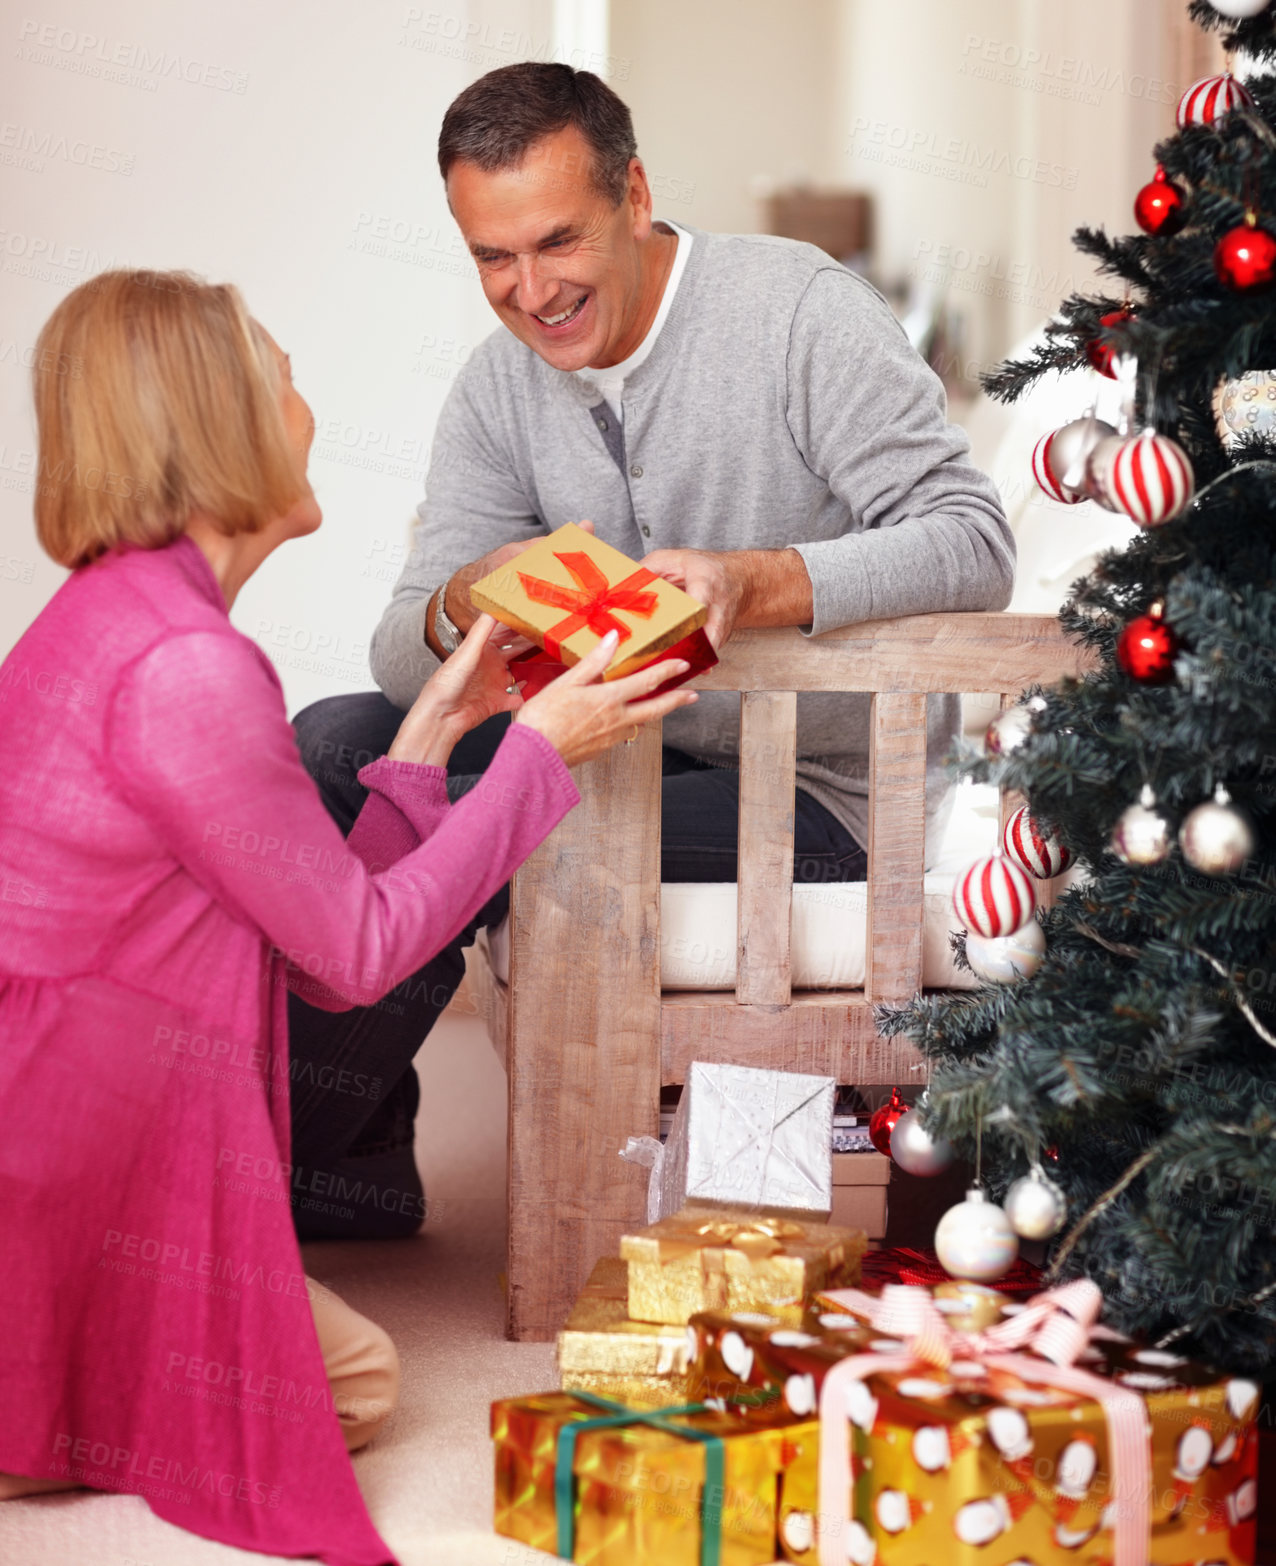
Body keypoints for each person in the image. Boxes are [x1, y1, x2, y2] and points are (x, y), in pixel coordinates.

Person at [0, 269, 693, 1563]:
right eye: (282, 383)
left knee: (354, 1370)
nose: (307, 413)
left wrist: (440, 722)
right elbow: (361, 951)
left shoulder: (134, 622)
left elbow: (322, 948)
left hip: (50, 1108)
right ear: (220, 428)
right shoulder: (187, 668)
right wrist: (539, 749)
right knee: (345, 1383)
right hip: (62, 1141)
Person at [289, 61, 1015, 1241]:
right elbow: (397, 655)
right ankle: (350, 1142)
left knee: (485, 803)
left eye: (556, 241)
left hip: (811, 799)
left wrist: (760, 580)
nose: (529, 292)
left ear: (634, 193)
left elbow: (971, 544)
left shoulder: (795, 312)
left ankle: (269, 1174)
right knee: (329, 748)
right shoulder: (497, 391)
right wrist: (466, 600)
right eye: (491, 258)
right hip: (607, 759)